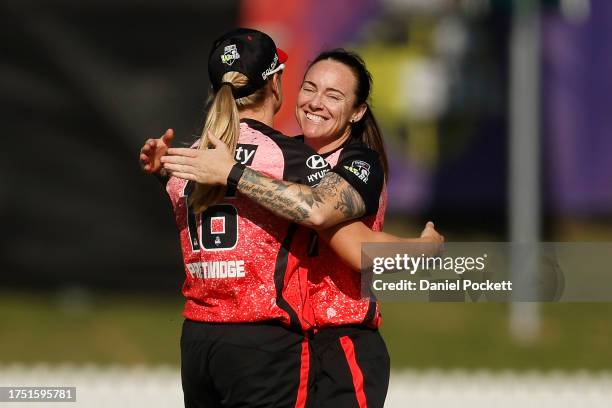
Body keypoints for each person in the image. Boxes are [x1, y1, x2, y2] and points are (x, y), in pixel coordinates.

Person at [161, 46, 442, 408]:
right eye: (309, 88)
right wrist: (167, 170)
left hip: (342, 340)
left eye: (334, 95)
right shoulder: (281, 155)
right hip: (291, 342)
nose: (316, 102)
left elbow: (359, 249)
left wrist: (423, 251)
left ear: (357, 112)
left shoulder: (359, 161)